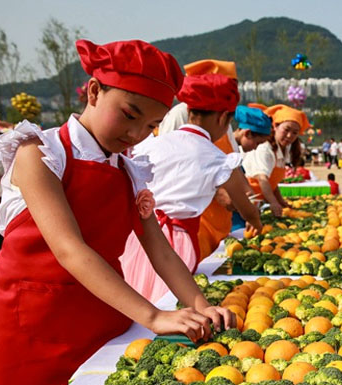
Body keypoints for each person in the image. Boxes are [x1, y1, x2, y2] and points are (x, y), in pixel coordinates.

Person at [0, 39, 235, 385]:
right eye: (129, 115)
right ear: (94, 91)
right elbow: (69, 249)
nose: (135, 134)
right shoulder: (41, 152)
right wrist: (153, 315)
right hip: (28, 328)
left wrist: (200, 304)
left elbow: (158, 247)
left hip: (99, 321)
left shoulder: (129, 170)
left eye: (150, 126)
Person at [121, 75, 264, 301]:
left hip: (137, 236)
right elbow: (243, 204)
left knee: (138, 301)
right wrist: (255, 222)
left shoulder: (155, 143)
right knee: (171, 305)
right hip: (175, 242)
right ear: (222, 118)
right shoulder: (216, 157)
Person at [156, 59, 247, 261]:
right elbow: (173, 171)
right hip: (192, 224)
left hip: (220, 221)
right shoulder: (180, 115)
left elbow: (232, 162)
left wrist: (242, 190)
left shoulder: (224, 121)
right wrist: (219, 191)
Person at [244, 104, 308, 217]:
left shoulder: (284, 149)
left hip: (257, 202)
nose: (289, 136)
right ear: (275, 126)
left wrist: (280, 202)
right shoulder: (265, 148)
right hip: (245, 200)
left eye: (295, 132)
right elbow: (262, 179)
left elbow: (272, 183)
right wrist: (273, 202)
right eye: (286, 130)